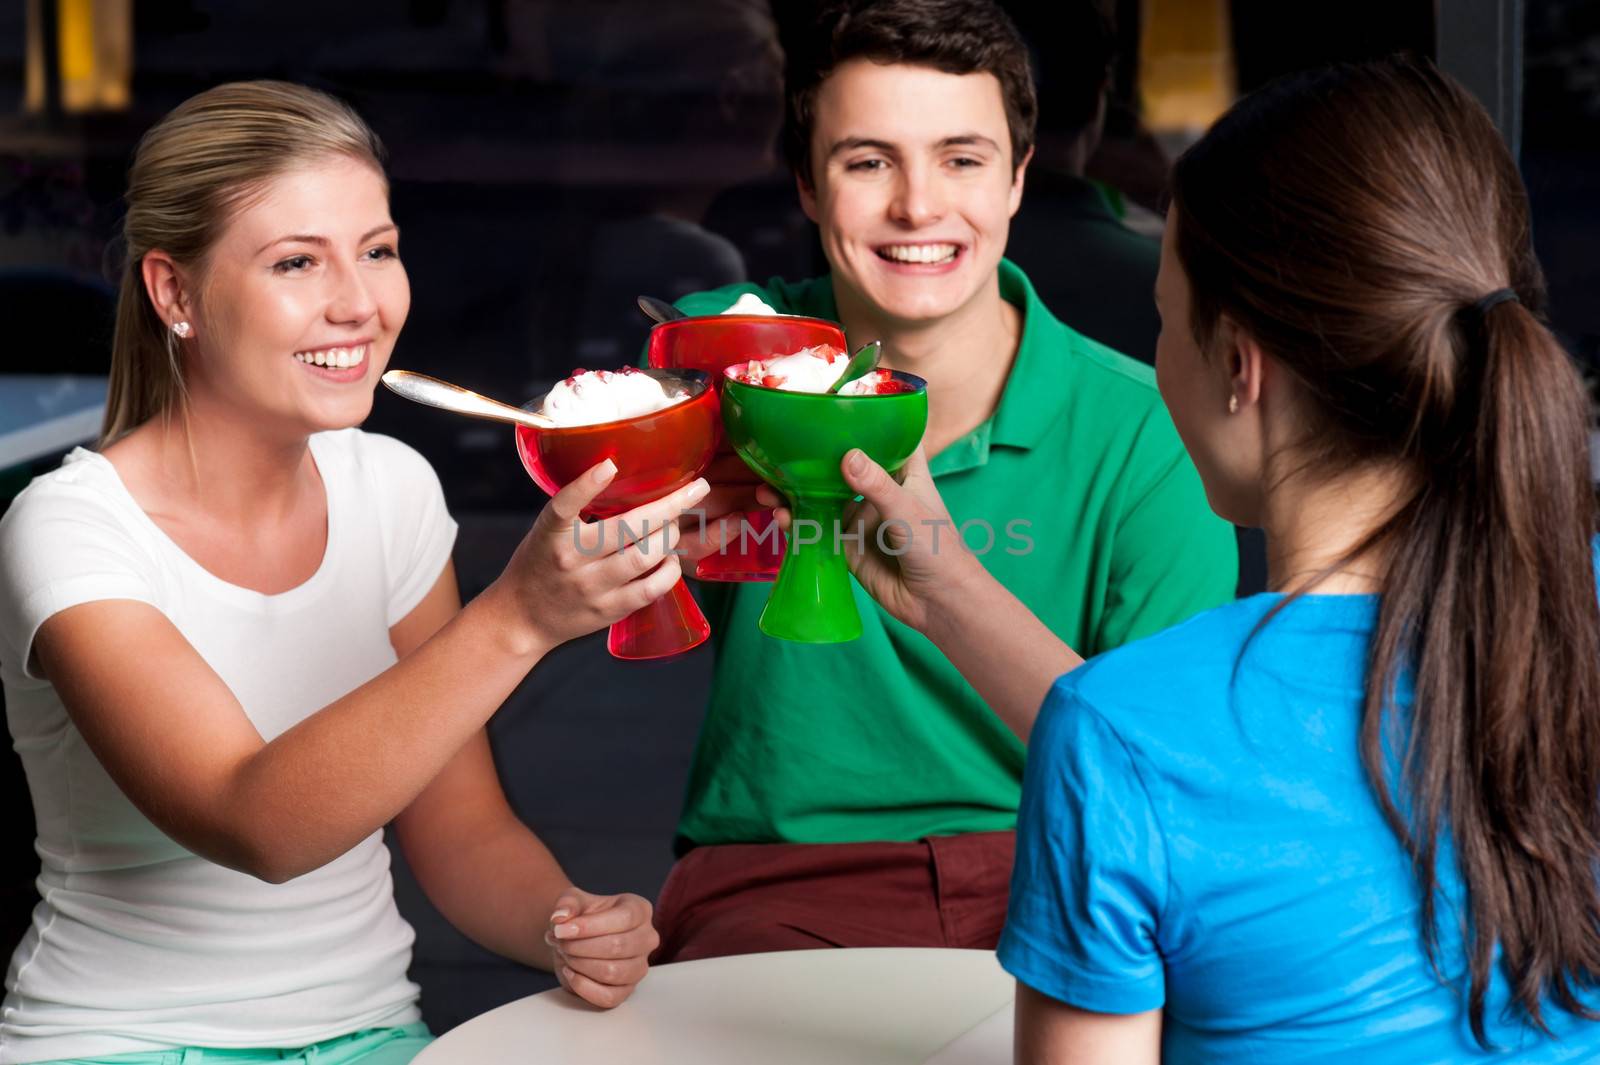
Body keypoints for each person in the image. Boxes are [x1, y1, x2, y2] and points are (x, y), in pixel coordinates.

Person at [828, 56, 1600, 1061]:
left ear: (1238, 364)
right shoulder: (1574, 606)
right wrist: (942, 587)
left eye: (1161, 316)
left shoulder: (1124, 736)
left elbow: (1163, 760)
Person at [0, 81, 703, 1065]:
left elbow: (459, 831)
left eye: (377, 251)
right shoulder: (70, 528)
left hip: (370, 1036)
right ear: (174, 293)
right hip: (116, 1041)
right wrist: (518, 619)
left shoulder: (391, 489)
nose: (360, 304)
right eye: (296, 262)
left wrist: (565, 922)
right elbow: (258, 826)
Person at [655, 0, 1237, 964]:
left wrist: (945, 579)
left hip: (1067, 866)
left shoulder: (1148, 433)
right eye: (868, 161)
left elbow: (1164, 781)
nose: (918, 206)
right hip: (776, 880)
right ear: (806, 184)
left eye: (961, 159)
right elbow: (676, 350)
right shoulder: (741, 382)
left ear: (1018, 178)